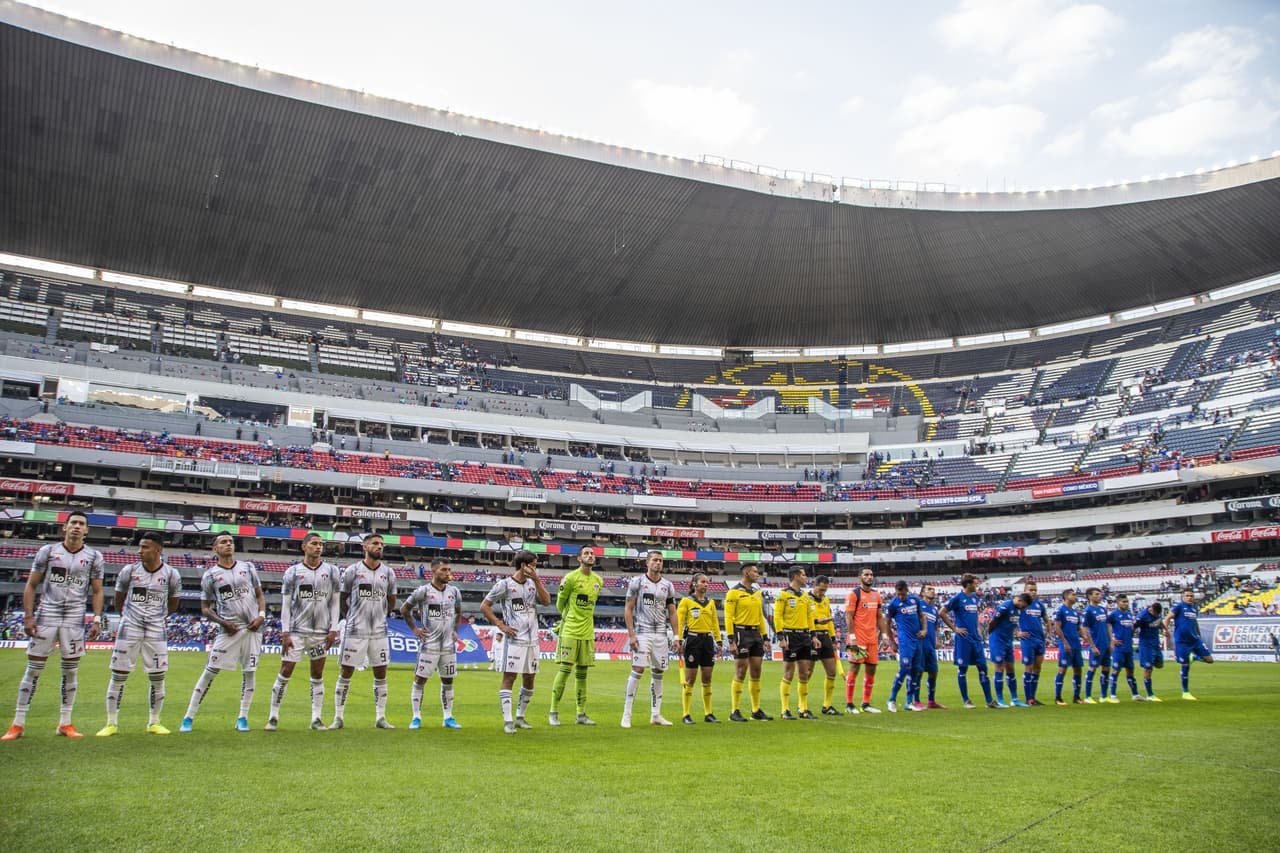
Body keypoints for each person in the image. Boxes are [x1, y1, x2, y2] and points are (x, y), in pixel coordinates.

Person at [3, 511, 104, 741]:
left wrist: (97, 619)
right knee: (33, 670)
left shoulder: (94, 556)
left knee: (70, 671)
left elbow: (97, 591)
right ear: (64, 527)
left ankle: (65, 723)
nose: (77, 527)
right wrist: (28, 617)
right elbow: (31, 585)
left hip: (75, 618)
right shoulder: (48, 552)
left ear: (87, 530)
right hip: (47, 614)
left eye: (81, 524)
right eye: (73, 523)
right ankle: (17, 723)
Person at [179, 534, 266, 733]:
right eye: (223, 542)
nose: (228, 544)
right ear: (214, 549)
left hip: (253, 629)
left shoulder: (248, 568)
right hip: (229, 631)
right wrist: (223, 622)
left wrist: (261, 616)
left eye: (230, 542)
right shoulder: (210, 575)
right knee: (210, 672)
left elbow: (260, 595)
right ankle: (188, 717)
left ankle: (243, 718)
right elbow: (205, 608)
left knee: (250, 673)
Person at [97, 532, 181, 736]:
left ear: (158, 550)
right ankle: (111, 723)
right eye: (140, 546)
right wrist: (127, 616)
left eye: (145, 547)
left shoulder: (171, 574)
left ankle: (154, 721)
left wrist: (157, 617)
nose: (139, 551)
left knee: (158, 676)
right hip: (130, 626)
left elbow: (174, 602)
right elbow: (119, 598)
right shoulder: (129, 571)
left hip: (156, 629)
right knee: (119, 674)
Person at [265, 531, 340, 731]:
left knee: (317, 673)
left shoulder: (332, 571)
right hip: (297, 631)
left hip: (320, 634)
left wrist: (333, 628)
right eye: (314, 543)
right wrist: (285, 632)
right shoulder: (292, 572)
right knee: (286, 671)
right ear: (304, 546)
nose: (318, 547)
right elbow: (286, 604)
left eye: (321, 544)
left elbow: (335, 602)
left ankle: (316, 718)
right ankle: (273, 716)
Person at [331, 534, 398, 730]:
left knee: (381, 672)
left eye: (382, 545)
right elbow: (342, 598)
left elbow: (391, 600)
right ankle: (338, 717)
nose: (379, 547)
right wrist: (351, 616)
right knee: (346, 671)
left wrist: (381, 615)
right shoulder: (353, 570)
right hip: (355, 630)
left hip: (379, 631)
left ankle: (380, 717)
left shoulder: (389, 573)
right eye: (375, 544)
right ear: (365, 547)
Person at [481, 550, 550, 734]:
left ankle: (520, 717)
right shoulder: (504, 585)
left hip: (533, 641)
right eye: (533, 565)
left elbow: (547, 601)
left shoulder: (533, 585)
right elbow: (484, 605)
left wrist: (536, 580)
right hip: (514, 641)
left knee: (529, 679)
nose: (535, 569)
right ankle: (508, 720)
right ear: (523, 565)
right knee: (509, 677)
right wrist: (500, 625)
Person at [401, 557, 463, 730]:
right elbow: (404, 610)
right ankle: (416, 717)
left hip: (448, 646)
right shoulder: (423, 591)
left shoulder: (454, 592)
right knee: (420, 680)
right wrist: (415, 629)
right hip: (430, 645)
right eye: (444, 570)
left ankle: (448, 717)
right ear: (433, 571)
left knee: (448, 680)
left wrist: (455, 630)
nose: (448, 573)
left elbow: (458, 612)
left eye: (449, 570)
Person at [622, 552, 680, 728]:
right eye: (655, 560)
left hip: (661, 634)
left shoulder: (668, 585)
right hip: (642, 632)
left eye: (661, 561)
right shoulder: (637, 582)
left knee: (658, 672)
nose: (658, 563)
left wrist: (676, 636)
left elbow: (672, 612)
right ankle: (626, 714)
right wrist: (631, 634)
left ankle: (656, 714)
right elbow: (628, 609)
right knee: (638, 669)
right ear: (647, 563)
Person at [549, 546, 604, 726]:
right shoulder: (570, 578)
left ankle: (581, 714)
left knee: (582, 674)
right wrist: (569, 617)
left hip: (587, 631)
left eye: (592, 553)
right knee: (565, 671)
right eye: (586, 553)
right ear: (579, 558)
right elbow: (560, 603)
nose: (590, 556)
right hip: (571, 629)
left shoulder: (598, 580)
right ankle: (553, 712)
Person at [942, 573, 999, 709]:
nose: (977, 585)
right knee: (963, 669)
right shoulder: (957, 598)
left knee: (983, 668)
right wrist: (955, 629)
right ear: (968, 585)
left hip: (975, 638)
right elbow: (942, 612)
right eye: (975, 583)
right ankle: (966, 700)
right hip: (963, 639)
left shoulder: (974, 598)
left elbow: (975, 616)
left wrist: (978, 628)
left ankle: (989, 700)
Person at [725, 563, 772, 721]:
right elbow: (728, 617)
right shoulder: (734, 593)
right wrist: (731, 640)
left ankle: (756, 709)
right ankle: (734, 711)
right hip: (741, 632)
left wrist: (765, 637)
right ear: (746, 572)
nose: (757, 574)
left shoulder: (757, 593)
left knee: (757, 671)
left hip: (755, 634)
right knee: (741, 671)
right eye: (755, 572)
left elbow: (760, 616)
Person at [677, 572, 722, 724]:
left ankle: (708, 713)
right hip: (693, 640)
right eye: (703, 582)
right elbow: (679, 621)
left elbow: (715, 623)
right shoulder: (686, 601)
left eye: (707, 582)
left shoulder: (710, 603)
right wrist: (679, 640)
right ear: (694, 584)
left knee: (707, 678)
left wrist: (719, 641)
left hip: (708, 641)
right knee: (690, 679)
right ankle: (686, 714)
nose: (706, 584)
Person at [775, 568, 820, 720]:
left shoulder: (806, 596)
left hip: (804, 636)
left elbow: (809, 616)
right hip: (790, 635)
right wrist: (781, 636)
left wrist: (813, 636)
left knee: (804, 673)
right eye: (803, 574)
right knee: (789, 672)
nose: (805, 577)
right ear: (795, 576)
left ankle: (803, 709)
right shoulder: (783, 594)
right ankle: (785, 710)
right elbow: (778, 616)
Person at [843, 567, 886, 715]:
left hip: (872, 638)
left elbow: (880, 617)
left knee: (871, 668)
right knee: (854, 668)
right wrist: (852, 637)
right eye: (866, 575)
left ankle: (865, 703)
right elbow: (848, 617)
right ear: (859, 577)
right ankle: (849, 704)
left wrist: (885, 636)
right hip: (858, 638)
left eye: (871, 575)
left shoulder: (876, 595)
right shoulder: (854, 594)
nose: (869, 577)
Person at [884, 581, 926, 713]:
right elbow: (887, 624)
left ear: (907, 591)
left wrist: (924, 630)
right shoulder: (893, 604)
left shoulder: (915, 600)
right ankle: (891, 699)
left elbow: (922, 616)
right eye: (898, 594)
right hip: (905, 641)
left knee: (915, 672)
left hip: (917, 640)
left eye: (902, 594)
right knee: (904, 669)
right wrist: (892, 642)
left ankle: (909, 702)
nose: (900, 597)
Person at [1165, 588, 1214, 700]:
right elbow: (1167, 618)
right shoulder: (1179, 606)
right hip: (1182, 641)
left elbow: (1194, 622)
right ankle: (1185, 692)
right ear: (1182, 597)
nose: (1190, 598)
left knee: (1209, 660)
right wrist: (1165, 630)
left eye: (1191, 596)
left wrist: (1199, 635)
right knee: (1185, 665)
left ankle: (1194, 657)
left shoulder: (1194, 609)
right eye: (1187, 595)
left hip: (1195, 640)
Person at [807, 576, 842, 715]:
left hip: (825, 637)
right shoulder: (805, 599)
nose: (823, 592)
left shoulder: (826, 600)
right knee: (807, 672)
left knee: (832, 672)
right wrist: (817, 621)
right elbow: (804, 619)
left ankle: (827, 706)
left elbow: (829, 621)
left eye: (825, 590)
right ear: (814, 585)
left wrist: (833, 639)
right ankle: (802, 706)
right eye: (821, 589)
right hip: (811, 636)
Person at [987, 593, 1029, 708]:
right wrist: (991, 635)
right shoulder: (1005, 606)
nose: (1023, 608)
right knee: (999, 668)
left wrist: (1016, 633)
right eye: (1023, 605)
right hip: (997, 641)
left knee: (1011, 669)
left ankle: (1014, 699)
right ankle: (1000, 699)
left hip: (1008, 641)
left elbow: (1011, 625)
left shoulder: (1018, 610)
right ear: (1020, 600)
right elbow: (993, 621)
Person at [1015, 581, 1051, 706]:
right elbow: (1009, 618)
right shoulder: (1021, 604)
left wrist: (1048, 636)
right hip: (1028, 640)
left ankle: (1033, 698)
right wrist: (1017, 633)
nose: (1033, 592)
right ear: (1025, 591)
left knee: (1037, 668)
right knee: (1029, 668)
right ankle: (1028, 698)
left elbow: (1047, 621)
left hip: (1039, 640)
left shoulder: (1040, 605)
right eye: (1031, 590)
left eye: (1035, 590)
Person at [1052, 589, 1085, 706]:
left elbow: (1078, 627)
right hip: (1066, 644)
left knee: (1078, 669)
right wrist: (1065, 643)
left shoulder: (1075, 613)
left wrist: (1084, 636)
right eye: (1073, 594)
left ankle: (1076, 697)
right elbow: (1057, 628)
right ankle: (1058, 698)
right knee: (1063, 669)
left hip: (1076, 644)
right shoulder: (1060, 611)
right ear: (1066, 596)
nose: (1075, 596)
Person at [1106, 593, 1141, 702]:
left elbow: (1131, 628)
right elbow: (1105, 625)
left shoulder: (1129, 614)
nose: (1126, 604)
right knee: (1116, 671)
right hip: (1119, 648)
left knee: (1130, 671)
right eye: (1123, 602)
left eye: (1127, 602)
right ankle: (1112, 695)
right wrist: (1112, 639)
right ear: (1118, 603)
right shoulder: (1113, 614)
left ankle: (1135, 694)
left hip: (1128, 647)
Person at [1081, 588, 1113, 704]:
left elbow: (1107, 626)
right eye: (1097, 594)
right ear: (1090, 596)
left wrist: (1111, 641)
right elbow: (1085, 630)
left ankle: (1103, 696)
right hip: (1097, 644)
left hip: (1106, 644)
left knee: (1106, 669)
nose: (1100, 596)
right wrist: (1092, 646)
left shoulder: (1102, 609)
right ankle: (1087, 696)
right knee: (1092, 669)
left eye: (1100, 594)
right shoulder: (1088, 611)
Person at [917, 585, 943, 710]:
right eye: (929, 589)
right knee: (919, 672)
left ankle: (931, 701)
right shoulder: (918, 605)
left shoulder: (934, 610)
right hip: (920, 643)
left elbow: (936, 627)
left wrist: (937, 639)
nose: (932, 591)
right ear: (922, 593)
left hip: (930, 645)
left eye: (933, 589)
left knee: (933, 672)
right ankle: (916, 700)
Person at [1135, 602, 1166, 701]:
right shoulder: (1142, 616)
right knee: (1148, 669)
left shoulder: (1157, 613)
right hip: (1146, 644)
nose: (1157, 615)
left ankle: (1140, 652)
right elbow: (1134, 626)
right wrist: (1129, 639)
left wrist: (1166, 630)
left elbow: (1159, 621)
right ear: (1151, 610)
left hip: (1155, 644)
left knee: (1160, 665)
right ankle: (1150, 695)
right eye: (1155, 614)